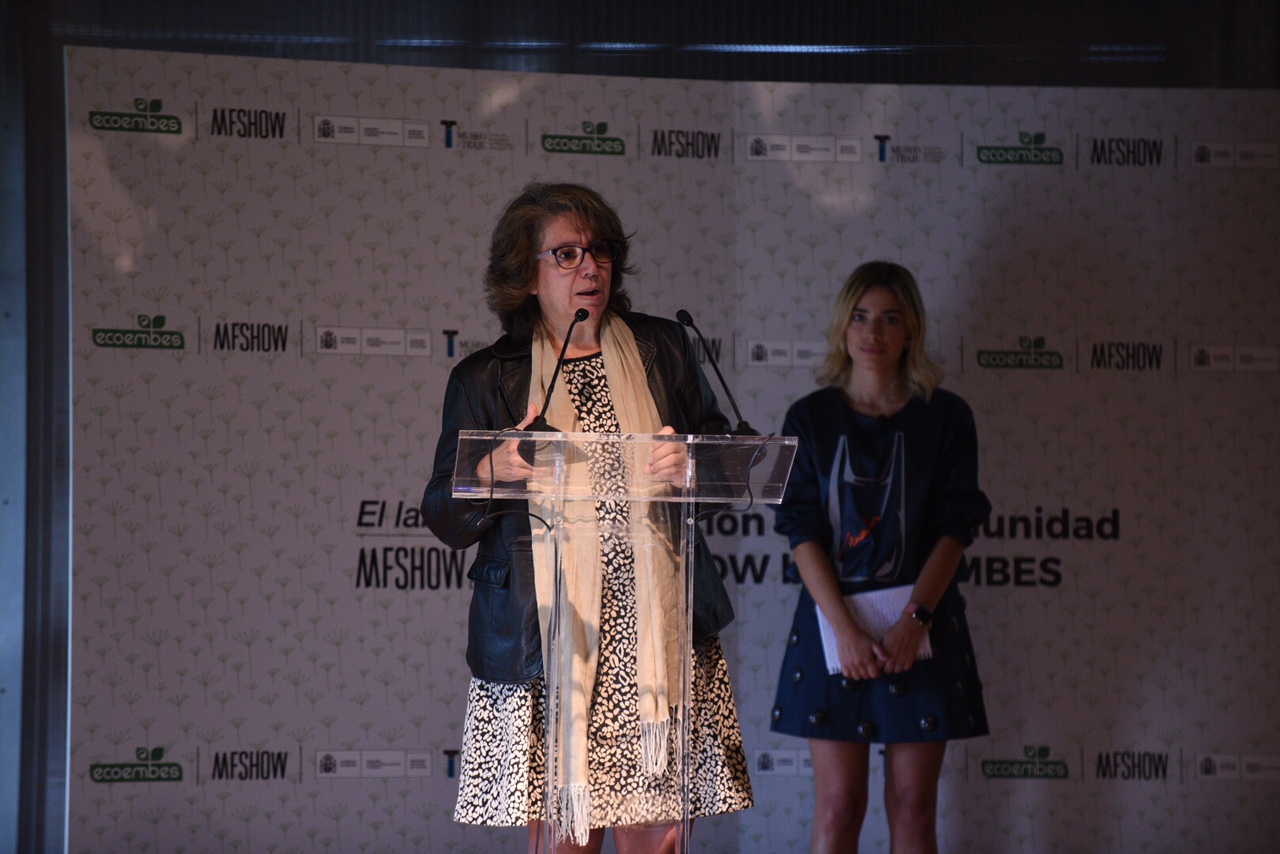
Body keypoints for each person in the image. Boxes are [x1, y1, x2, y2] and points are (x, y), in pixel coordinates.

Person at [422, 182, 752, 853]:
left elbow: (728, 467)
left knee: (656, 844)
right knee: (565, 845)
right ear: (526, 274)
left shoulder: (663, 347)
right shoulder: (485, 378)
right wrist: (492, 472)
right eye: (566, 254)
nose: (590, 267)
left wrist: (693, 465)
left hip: (654, 635)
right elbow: (442, 514)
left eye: (599, 251)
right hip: (550, 640)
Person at [769, 261, 992, 854]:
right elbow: (799, 529)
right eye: (861, 316)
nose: (873, 332)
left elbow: (956, 528)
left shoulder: (948, 417)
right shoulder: (808, 418)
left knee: (914, 805)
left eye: (890, 318)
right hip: (832, 630)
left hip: (920, 628)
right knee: (839, 806)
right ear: (842, 326)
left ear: (911, 329)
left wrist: (914, 621)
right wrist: (845, 629)